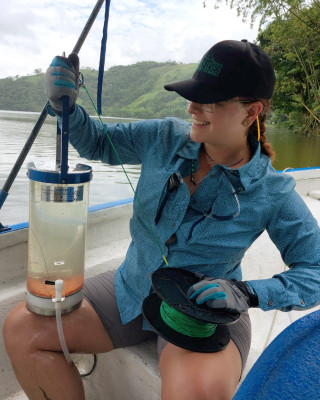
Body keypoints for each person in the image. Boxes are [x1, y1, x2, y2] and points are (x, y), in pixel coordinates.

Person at [3, 39, 320, 400]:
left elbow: (315, 269)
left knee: (197, 392)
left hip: (205, 313)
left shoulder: (273, 190)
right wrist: (67, 106)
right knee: (22, 330)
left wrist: (247, 292)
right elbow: (99, 143)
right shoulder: (163, 136)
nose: (192, 107)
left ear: (251, 113)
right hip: (131, 287)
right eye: (193, 95)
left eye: (210, 101)